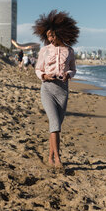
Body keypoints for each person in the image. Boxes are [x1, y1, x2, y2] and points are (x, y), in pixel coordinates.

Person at [33, 10, 79, 168]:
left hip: (63, 90)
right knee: (55, 123)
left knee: (57, 124)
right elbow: (38, 69)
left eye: (52, 36)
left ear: (60, 33)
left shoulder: (69, 51)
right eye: (48, 36)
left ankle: (50, 156)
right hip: (47, 88)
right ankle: (58, 159)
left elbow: (73, 69)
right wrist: (44, 76)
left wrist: (68, 74)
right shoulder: (44, 50)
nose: (50, 39)